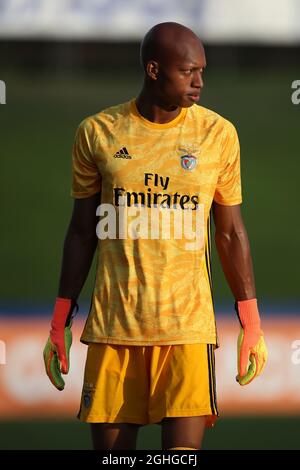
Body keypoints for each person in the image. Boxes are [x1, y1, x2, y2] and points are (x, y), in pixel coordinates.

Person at [43, 22, 268, 450]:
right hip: (113, 328)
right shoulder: (98, 133)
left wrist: (251, 323)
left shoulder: (218, 135)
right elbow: (80, 231)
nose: (199, 82)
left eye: (202, 71)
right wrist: (59, 323)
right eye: (187, 72)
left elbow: (231, 232)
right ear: (152, 69)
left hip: (188, 330)